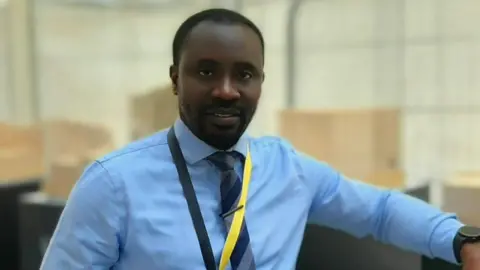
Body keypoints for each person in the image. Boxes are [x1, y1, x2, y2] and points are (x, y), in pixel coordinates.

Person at [41, 8, 480, 270]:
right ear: (176, 79)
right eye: (206, 71)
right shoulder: (112, 184)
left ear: (261, 83)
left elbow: (379, 211)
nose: (227, 89)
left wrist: (460, 240)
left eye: (244, 74)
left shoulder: (288, 169)